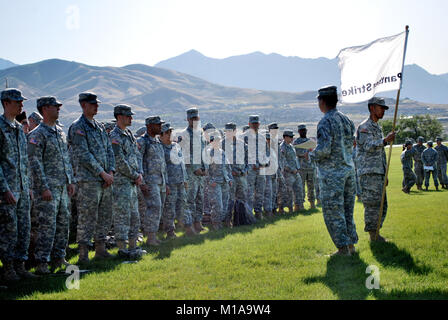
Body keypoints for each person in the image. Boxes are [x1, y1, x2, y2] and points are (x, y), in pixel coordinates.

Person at [28, 96, 75, 274]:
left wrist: (70, 181)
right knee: (47, 226)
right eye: (55, 106)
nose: (59, 109)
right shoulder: (37, 134)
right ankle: (42, 263)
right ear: (45, 109)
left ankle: (59, 257)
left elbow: (66, 159)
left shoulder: (60, 132)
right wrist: (43, 187)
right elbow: (34, 162)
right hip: (48, 189)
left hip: (63, 188)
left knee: (63, 224)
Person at [310, 86, 358, 256]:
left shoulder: (325, 121)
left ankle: (343, 249)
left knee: (333, 212)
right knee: (347, 210)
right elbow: (351, 144)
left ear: (322, 101)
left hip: (332, 175)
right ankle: (351, 245)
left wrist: (311, 154)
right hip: (348, 171)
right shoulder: (346, 119)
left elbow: (324, 150)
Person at [68, 92, 116, 263]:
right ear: (83, 105)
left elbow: (109, 150)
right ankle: (83, 253)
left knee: (105, 214)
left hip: (105, 179)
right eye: (92, 104)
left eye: (97, 104)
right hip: (88, 180)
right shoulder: (78, 127)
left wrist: (110, 172)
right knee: (87, 217)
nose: (96, 106)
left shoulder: (100, 126)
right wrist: (101, 173)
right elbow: (83, 154)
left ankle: (100, 248)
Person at [0, 88, 36, 281]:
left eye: (22, 101)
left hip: (22, 187)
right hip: (8, 189)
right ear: (6, 103)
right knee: (9, 230)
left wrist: (29, 186)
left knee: (24, 228)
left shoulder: (18, 129)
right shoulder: (0, 127)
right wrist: (4, 189)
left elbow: (24, 161)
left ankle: (20, 266)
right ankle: (7, 269)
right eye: (17, 102)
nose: (22, 105)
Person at [356, 97, 396, 243]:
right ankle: (373, 236)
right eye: (381, 108)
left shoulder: (377, 127)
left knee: (381, 204)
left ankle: (376, 233)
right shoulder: (364, 127)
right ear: (372, 108)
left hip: (378, 172)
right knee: (373, 205)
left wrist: (384, 173)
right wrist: (385, 140)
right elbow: (368, 146)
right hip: (369, 172)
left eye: (384, 109)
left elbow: (381, 153)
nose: (383, 111)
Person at [109, 105, 145, 259]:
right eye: (128, 116)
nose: (131, 118)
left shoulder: (129, 134)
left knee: (134, 216)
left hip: (132, 182)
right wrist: (134, 175)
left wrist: (140, 173)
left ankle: (133, 245)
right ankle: (122, 248)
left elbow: (137, 155)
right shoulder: (115, 136)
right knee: (122, 216)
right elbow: (119, 161)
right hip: (122, 182)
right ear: (119, 117)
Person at [160, 123, 196, 237]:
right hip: (170, 183)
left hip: (180, 181)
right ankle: (170, 232)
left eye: (171, 132)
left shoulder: (176, 146)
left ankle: (189, 228)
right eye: (167, 133)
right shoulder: (160, 148)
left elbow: (182, 164)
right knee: (169, 207)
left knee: (184, 205)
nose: (170, 135)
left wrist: (185, 179)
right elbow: (161, 168)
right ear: (161, 135)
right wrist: (165, 184)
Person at [138, 116, 169, 246]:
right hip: (150, 181)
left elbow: (163, 163)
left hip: (160, 180)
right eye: (157, 125)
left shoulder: (157, 141)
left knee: (159, 208)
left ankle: (153, 236)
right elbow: (138, 161)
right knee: (154, 207)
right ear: (149, 126)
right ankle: (150, 238)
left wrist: (166, 182)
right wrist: (142, 183)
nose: (160, 127)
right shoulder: (142, 141)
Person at [177, 108, 208, 233]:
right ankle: (188, 226)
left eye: (197, 118)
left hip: (201, 173)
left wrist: (205, 168)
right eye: (193, 118)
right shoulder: (184, 135)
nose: (195, 120)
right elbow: (182, 153)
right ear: (188, 119)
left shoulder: (200, 134)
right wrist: (196, 168)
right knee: (189, 200)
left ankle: (198, 223)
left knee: (200, 199)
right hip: (191, 173)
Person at [242, 115, 268, 220]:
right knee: (249, 192)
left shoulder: (262, 138)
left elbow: (266, 153)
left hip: (261, 170)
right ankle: (249, 215)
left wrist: (264, 163)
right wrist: (248, 165)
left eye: (257, 123)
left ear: (259, 124)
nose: (255, 125)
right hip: (250, 170)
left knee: (260, 191)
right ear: (249, 124)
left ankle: (258, 212)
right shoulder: (244, 137)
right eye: (253, 123)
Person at [205, 131, 232, 230]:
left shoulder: (222, 152)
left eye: (218, 140)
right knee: (217, 205)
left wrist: (229, 179)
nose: (217, 142)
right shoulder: (208, 153)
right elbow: (206, 170)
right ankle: (216, 224)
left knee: (224, 205)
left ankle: (221, 222)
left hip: (224, 182)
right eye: (214, 141)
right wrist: (211, 181)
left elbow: (227, 167)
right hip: (215, 183)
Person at [222, 122, 248, 226]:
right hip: (230, 177)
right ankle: (228, 221)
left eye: (230, 131)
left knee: (242, 199)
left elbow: (248, 160)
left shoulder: (242, 144)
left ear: (235, 131)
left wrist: (245, 170)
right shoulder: (222, 144)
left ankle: (241, 220)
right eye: (227, 131)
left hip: (241, 177)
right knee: (230, 199)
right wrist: (229, 173)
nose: (228, 133)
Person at [280, 130, 304, 213]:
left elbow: (294, 158)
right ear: (285, 137)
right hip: (288, 173)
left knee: (299, 189)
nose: (292, 138)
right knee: (288, 192)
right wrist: (291, 169)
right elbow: (283, 161)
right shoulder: (282, 147)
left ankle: (298, 206)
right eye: (290, 137)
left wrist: (297, 168)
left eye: (292, 137)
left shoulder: (291, 146)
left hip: (295, 171)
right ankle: (289, 209)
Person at [293, 124, 316, 209]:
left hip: (310, 167)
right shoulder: (296, 142)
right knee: (300, 186)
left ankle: (312, 203)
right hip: (301, 168)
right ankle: (300, 204)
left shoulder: (310, 141)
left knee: (311, 186)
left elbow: (314, 153)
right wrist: (304, 154)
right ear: (299, 132)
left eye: (304, 130)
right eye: (302, 130)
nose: (303, 132)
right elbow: (296, 153)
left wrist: (309, 154)